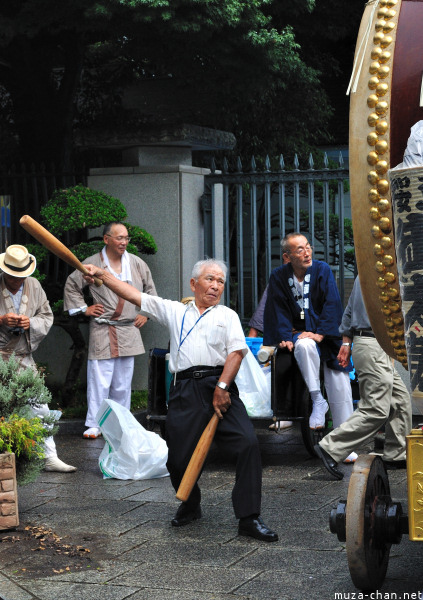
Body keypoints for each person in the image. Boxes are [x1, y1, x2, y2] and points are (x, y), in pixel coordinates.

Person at [82, 258, 278, 542]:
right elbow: (132, 293)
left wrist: (223, 387)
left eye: (221, 281)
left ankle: (249, 517)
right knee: (176, 459)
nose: (215, 285)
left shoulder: (227, 315)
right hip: (185, 389)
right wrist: (102, 274)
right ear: (193, 283)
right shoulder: (175, 311)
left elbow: (236, 353)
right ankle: (191, 503)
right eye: (210, 279)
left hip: (219, 386)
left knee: (248, 443)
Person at [263, 233, 357, 462]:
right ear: (287, 257)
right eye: (299, 250)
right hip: (300, 336)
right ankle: (317, 399)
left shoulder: (322, 270)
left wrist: (321, 333)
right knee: (303, 346)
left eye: (308, 247)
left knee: (339, 384)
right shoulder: (278, 277)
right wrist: (284, 336)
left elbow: (332, 302)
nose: (306, 253)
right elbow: (277, 309)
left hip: (328, 337)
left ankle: (344, 446)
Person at [63, 221, 157, 439]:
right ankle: (94, 424)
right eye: (119, 238)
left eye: (126, 238)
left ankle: (120, 422)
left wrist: (146, 313)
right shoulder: (92, 263)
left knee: (123, 382)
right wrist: (85, 309)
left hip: (127, 328)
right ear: (106, 239)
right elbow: (72, 285)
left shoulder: (137, 263)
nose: (124, 242)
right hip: (103, 327)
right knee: (99, 379)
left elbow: (150, 290)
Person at [314, 276, 412, 480]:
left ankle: (396, 454)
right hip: (373, 344)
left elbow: (349, 309)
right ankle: (330, 448)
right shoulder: (388, 269)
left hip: (373, 344)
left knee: (400, 400)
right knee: (376, 409)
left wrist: (347, 342)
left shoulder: (369, 269)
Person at [0, 244, 76, 473]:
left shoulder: (33, 285)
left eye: (21, 276)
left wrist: (29, 323)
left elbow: (46, 315)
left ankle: (49, 456)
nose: (17, 280)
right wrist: (2, 319)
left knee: (39, 406)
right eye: (13, 276)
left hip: (23, 355)